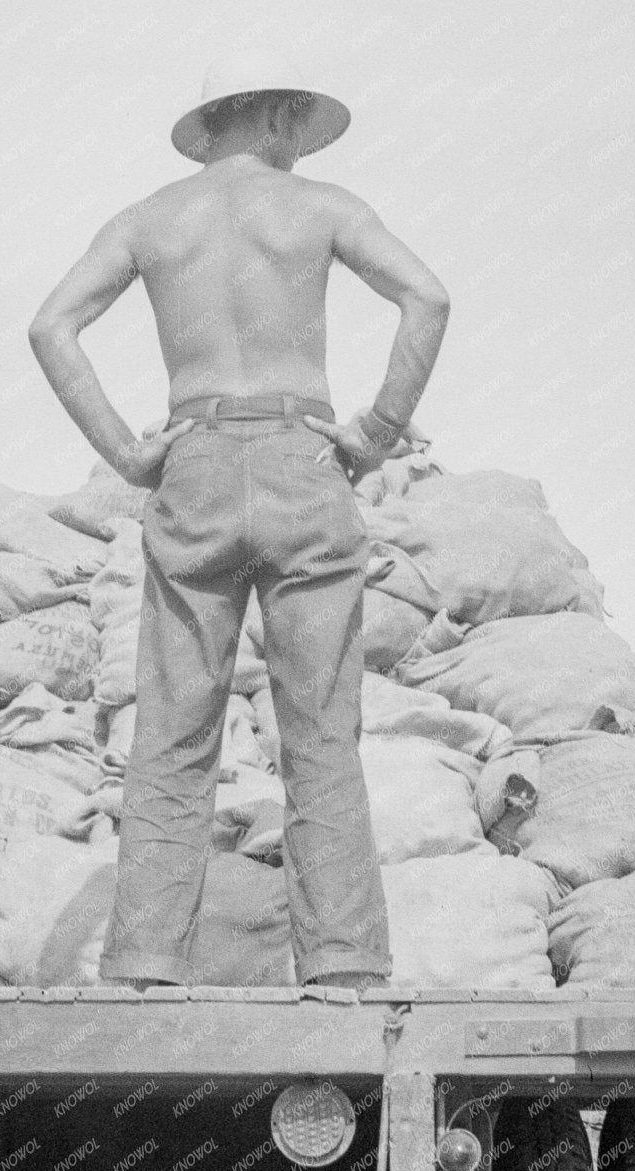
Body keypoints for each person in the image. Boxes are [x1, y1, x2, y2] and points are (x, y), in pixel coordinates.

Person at [27, 52, 451, 988]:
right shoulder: (323, 207)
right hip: (305, 461)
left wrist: (130, 454)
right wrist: (377, 431)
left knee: (174, 734)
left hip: (195, 463)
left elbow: (52, 325)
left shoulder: (149, 221)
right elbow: (428, 296)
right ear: (272, 116)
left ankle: (143, 964)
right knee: (320, 737)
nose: (302, 145)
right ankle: (342, 969)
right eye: (298, 125)